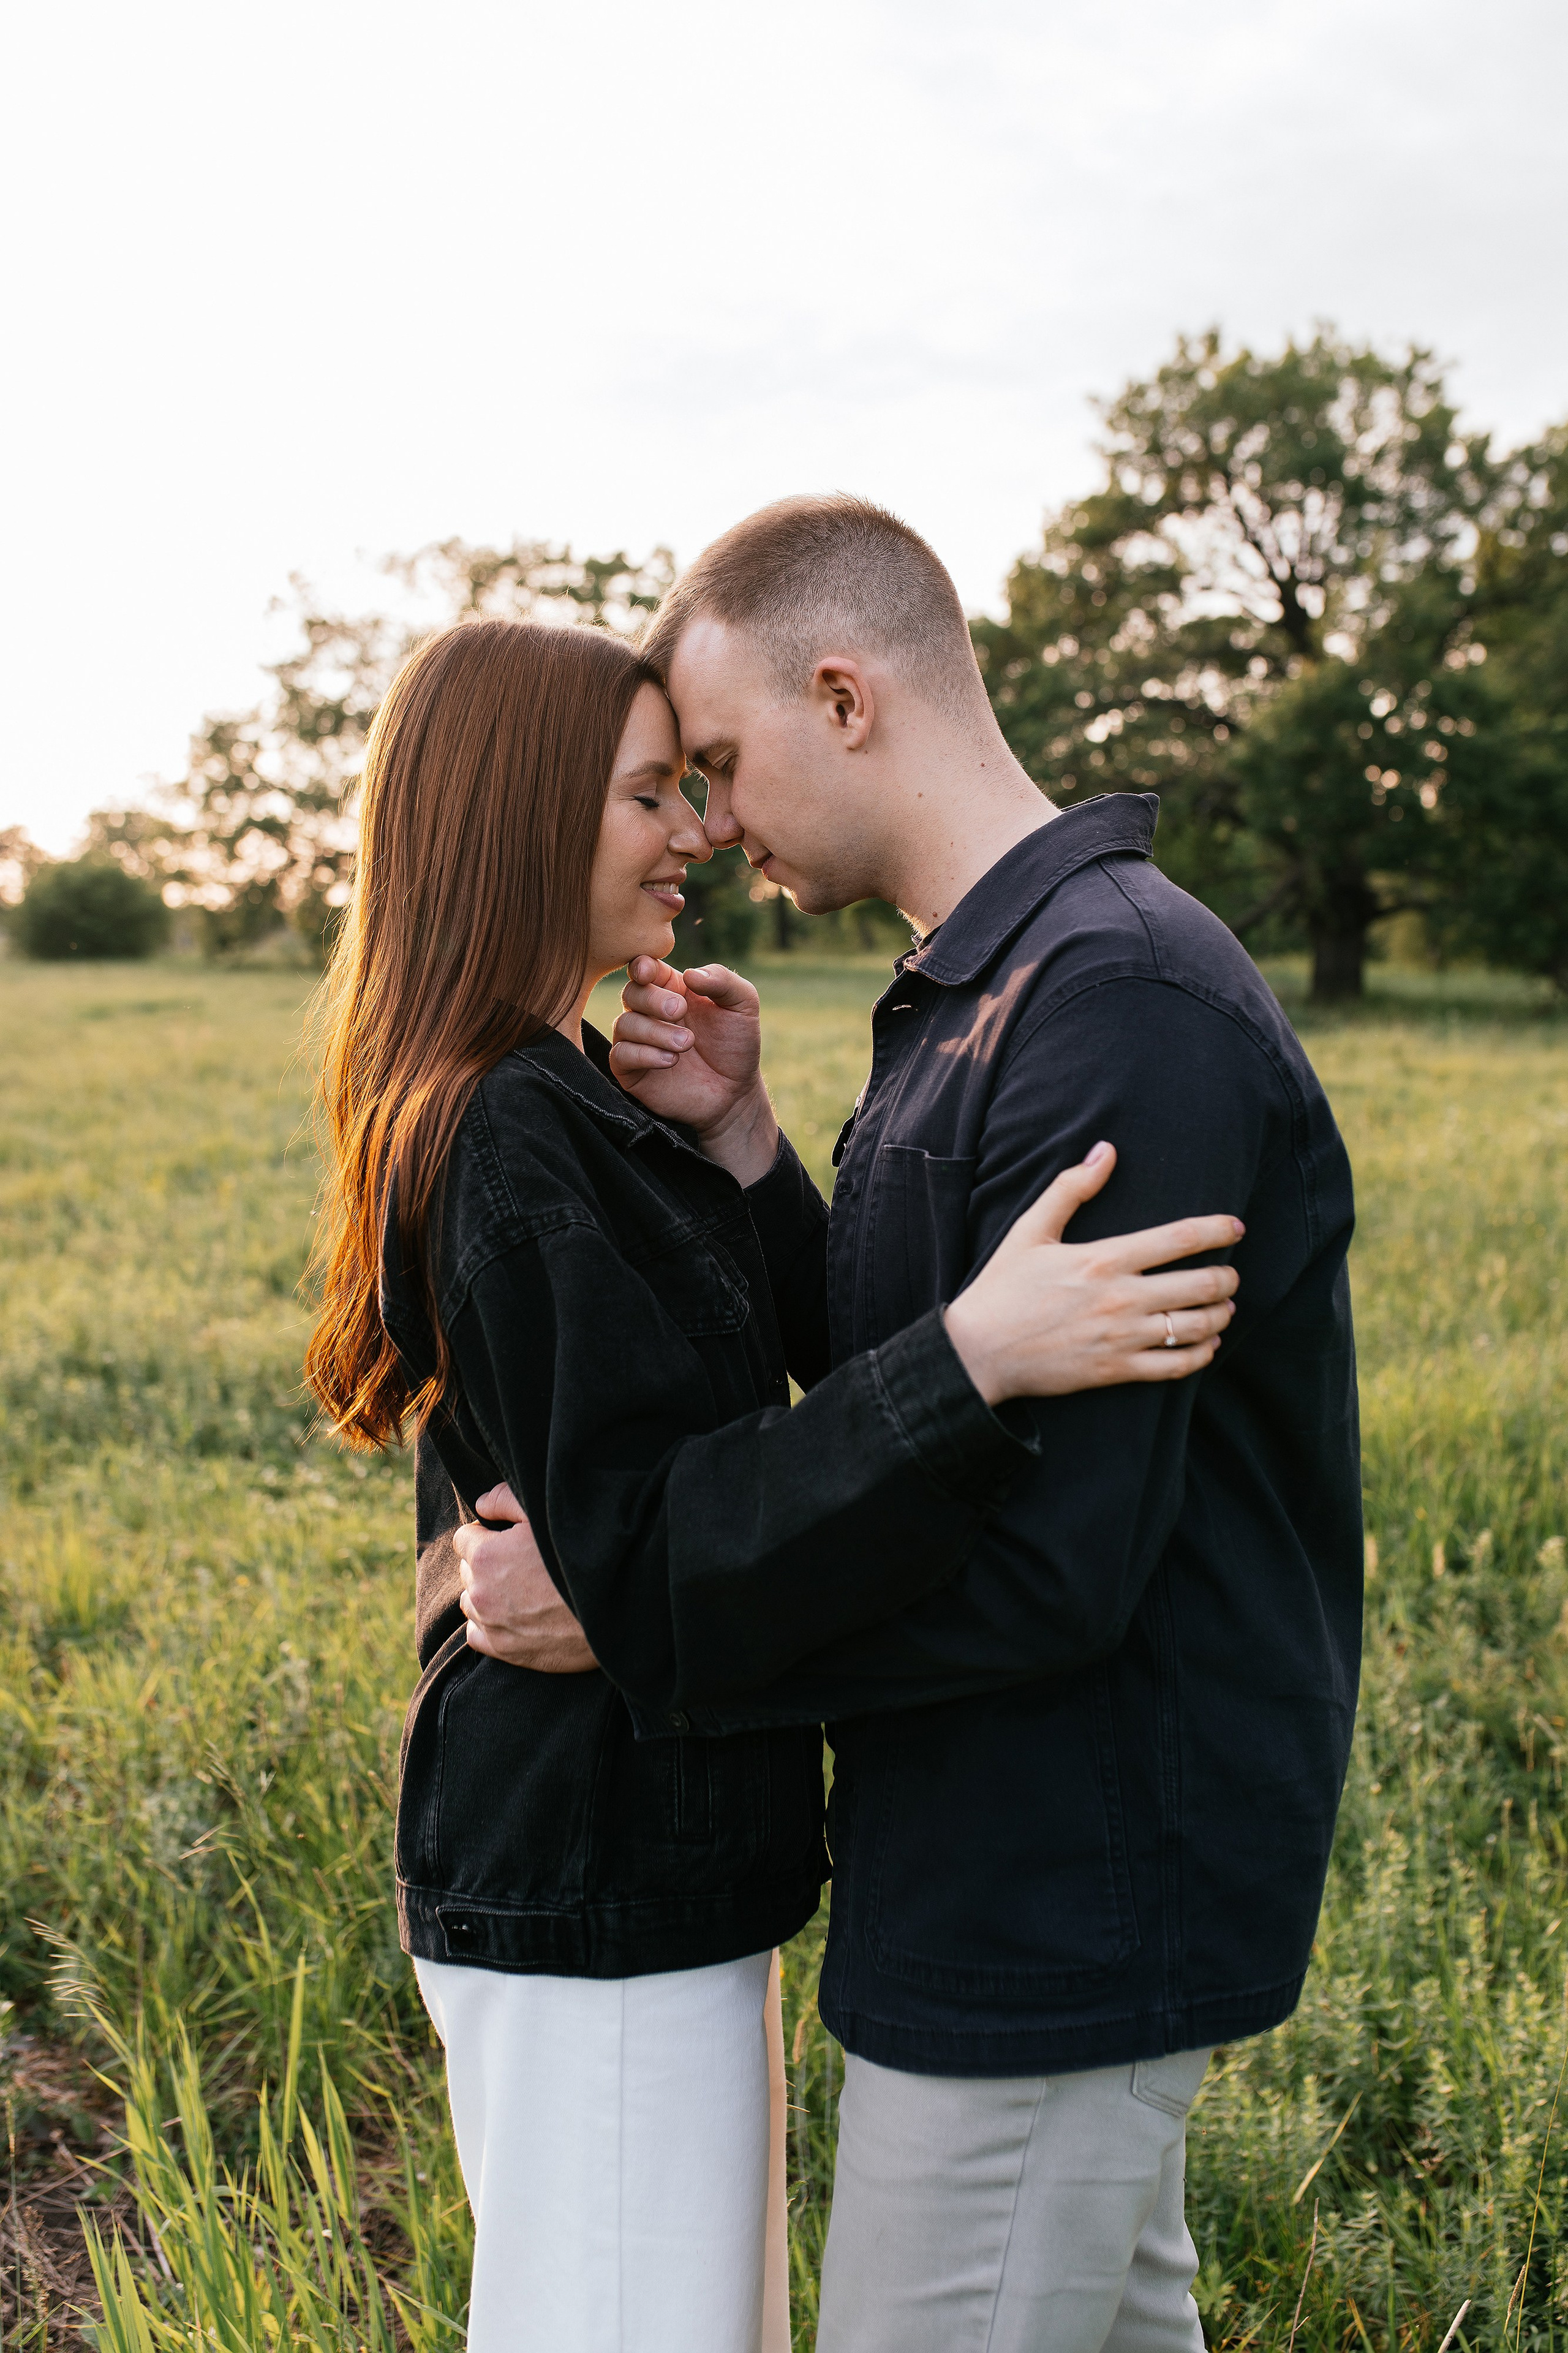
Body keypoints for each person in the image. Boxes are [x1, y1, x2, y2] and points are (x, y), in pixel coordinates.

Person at [459, 496, 1363, 2352]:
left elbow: (1051, 1562)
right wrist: (752, 1154)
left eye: (717, 762)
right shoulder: (987, 988)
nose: (708, 824)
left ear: (847, 696)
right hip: (996, 1860)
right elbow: (924, 1355)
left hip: (1059, 1889)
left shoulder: (1116, 1006)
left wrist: (653, 1625)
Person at [302, 613, 1243, 2353]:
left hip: (653, 1861)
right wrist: (976, 1355)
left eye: (697, 783)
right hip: (589, 1867)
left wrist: (740, 1150)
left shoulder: (575, 1101)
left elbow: (675, 1431)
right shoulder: (505, 1121)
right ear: (518, 815)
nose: (698, 833)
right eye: (654, 792)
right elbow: (657, 1532)